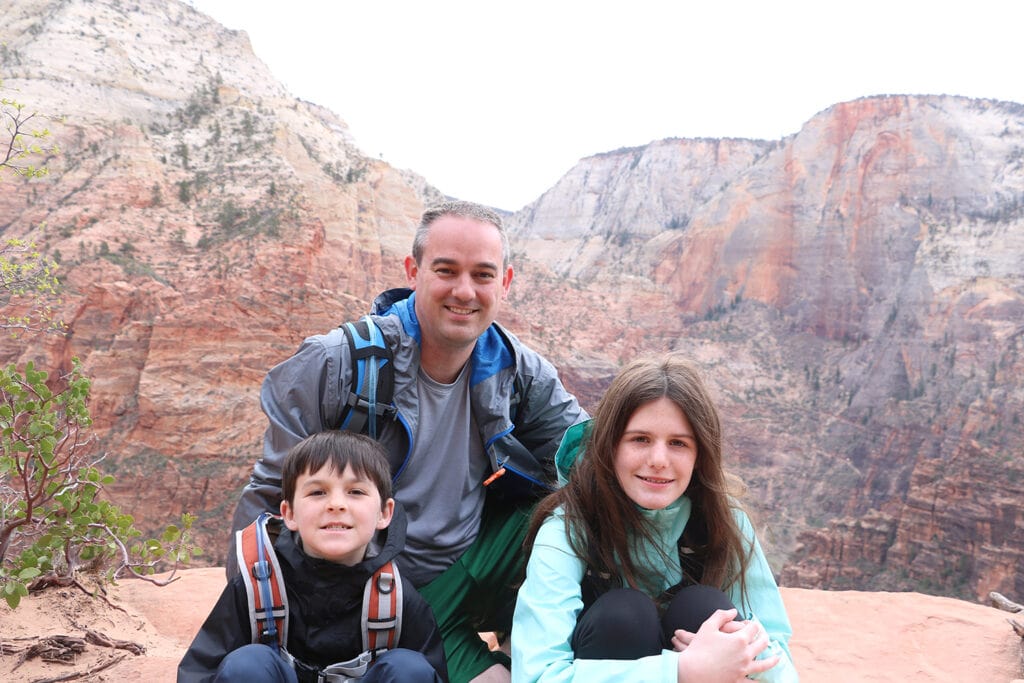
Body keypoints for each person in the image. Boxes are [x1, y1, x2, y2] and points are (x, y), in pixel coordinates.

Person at [228, 201, 587, 683]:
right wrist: (268, 629)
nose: (464, 291)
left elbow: (593, 457)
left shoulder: (516, 369)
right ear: (413, 271)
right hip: (381, 590)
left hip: (474, 556)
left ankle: (532, 644)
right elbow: (271, 499)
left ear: (504, 282)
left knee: (579, 509)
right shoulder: (341, 363)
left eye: (482, 275)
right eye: (446, 271)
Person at [512, 353, 799, 682]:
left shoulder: (723, 519)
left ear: (699, 455)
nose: (659, 460)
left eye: (678, 443)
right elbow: (535, 675)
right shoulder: (569, 526)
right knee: (623, 618)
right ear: (609, 446)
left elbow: (777, 652)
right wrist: (680, 670)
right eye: (640, 439)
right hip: (610, 647)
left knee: (707, 611)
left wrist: (738, 654)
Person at [179, 430, 448, 682]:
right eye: (317, 492)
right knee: (247, 664)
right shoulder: (258, 588)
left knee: (408, 669)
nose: (336, 504)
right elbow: (201, 671)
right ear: (289, 514)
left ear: (384, 513)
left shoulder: (395, 598)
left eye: (356, 492)